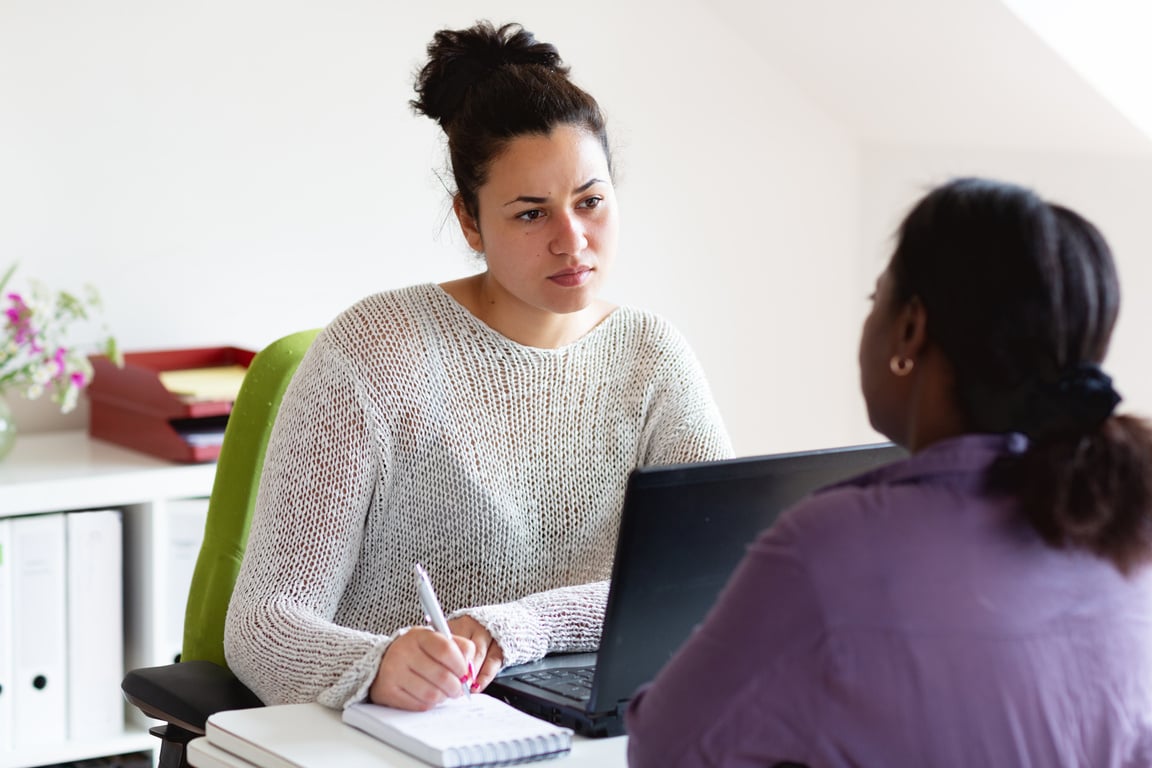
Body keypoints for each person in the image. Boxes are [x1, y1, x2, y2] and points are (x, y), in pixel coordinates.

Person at [222, 20, 732, 713]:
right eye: (530, 214)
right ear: (470, 222)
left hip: (587, 714)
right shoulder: (375, 352)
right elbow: (263, 625)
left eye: (591, 201)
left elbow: (713, 578)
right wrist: (376, 665)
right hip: (405, 728)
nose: (572, 240)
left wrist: (520, 628)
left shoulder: (654, 356)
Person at [626, 177, 1152, 766]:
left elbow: (665, 749)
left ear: (910, 329)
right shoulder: (1123, 520)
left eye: (876, 299)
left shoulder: (832, 545)